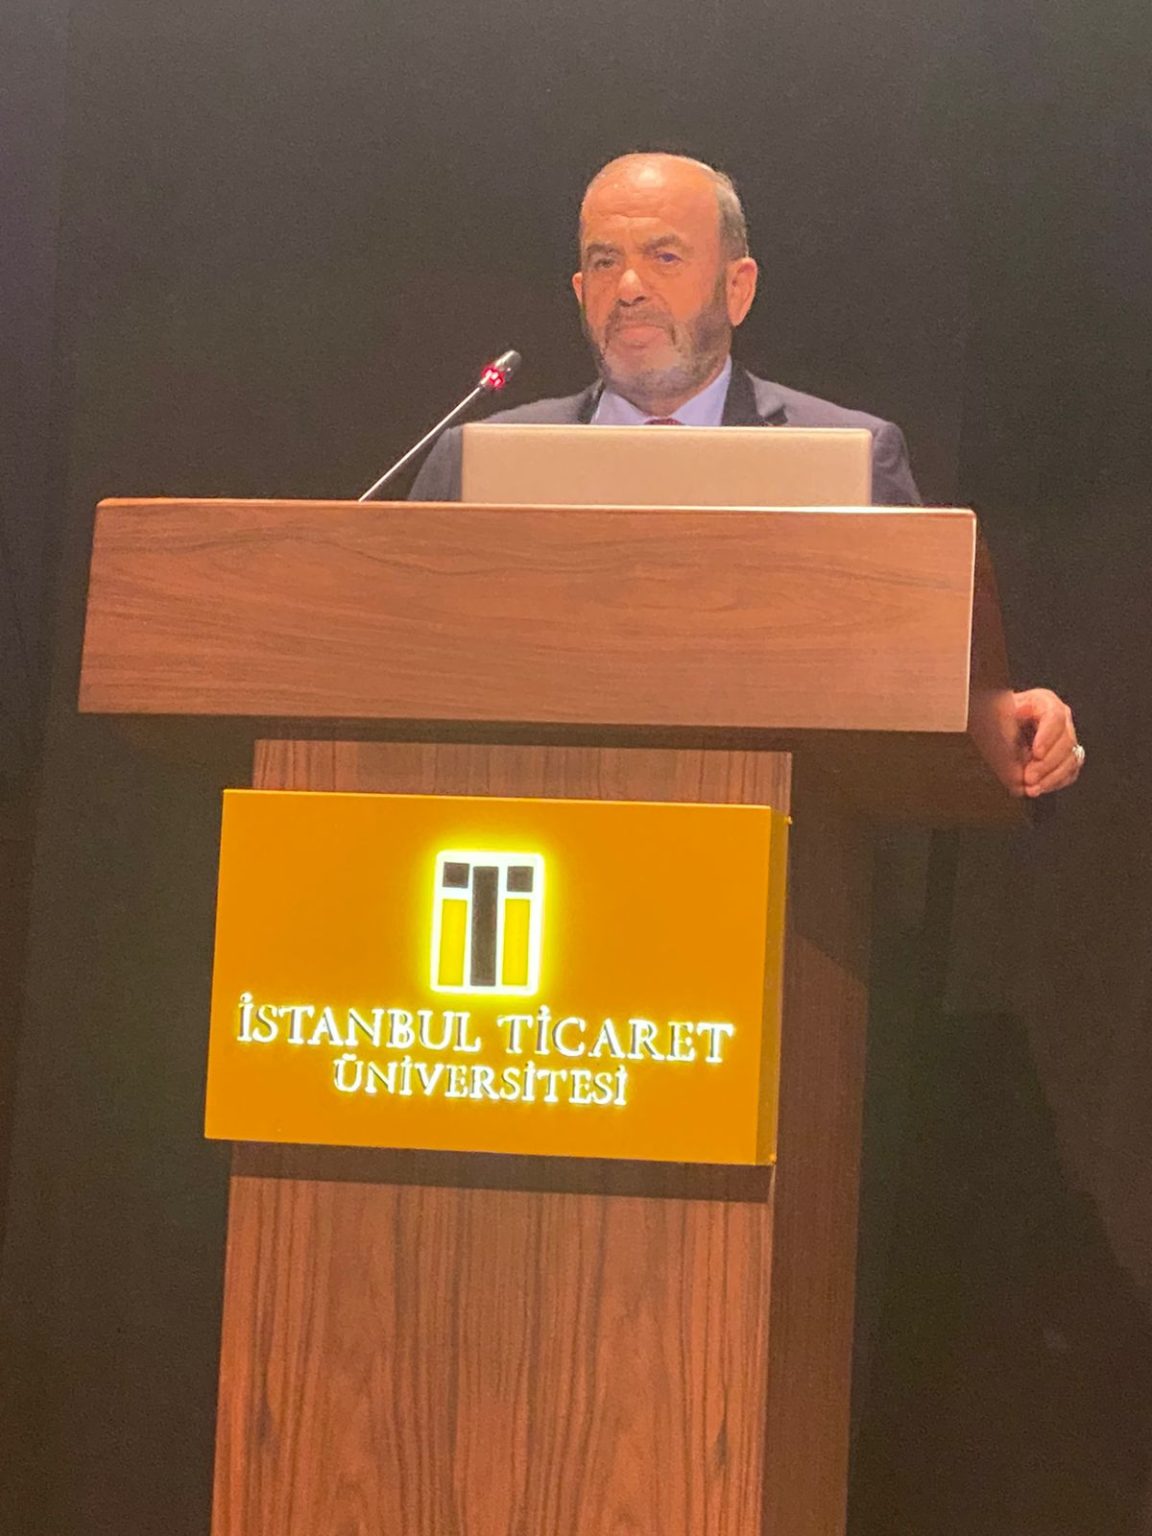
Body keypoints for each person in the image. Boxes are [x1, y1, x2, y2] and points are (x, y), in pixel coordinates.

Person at [411, 151, 1083, 796]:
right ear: (581, 292)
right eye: (605, 262)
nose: (630, 288)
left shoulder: (852, 456)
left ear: (738, 289)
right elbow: (400, 660)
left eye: (664, 257)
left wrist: (1009, 724)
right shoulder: (472, 460)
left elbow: (918, 680)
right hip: (519, 814)